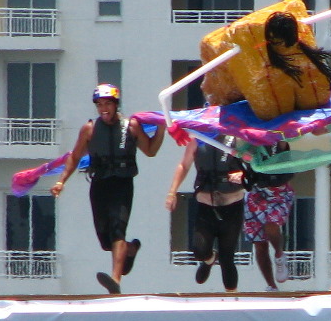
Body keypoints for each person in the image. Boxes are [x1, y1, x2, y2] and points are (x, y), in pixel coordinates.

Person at [51, 84, 165, 294]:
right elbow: (75, 157)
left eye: (108, 104)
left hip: (122, 183)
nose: (104, 109)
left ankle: (115, 280)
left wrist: (161, 129)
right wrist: (61, 181)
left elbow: (150, 150)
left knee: (117, 231)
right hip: (99, 184)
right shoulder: (90, 129)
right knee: (106, 241)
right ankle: (130, 249)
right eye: (100, 105)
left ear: (115, 104)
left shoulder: (131, 126)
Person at [166, 135, 246, 292]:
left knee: (227, 258)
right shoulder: (197, 139)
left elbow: (254, 165)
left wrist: (243, 175)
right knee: (199, 250)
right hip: (206, 206)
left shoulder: (237, 138)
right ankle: (209, 259)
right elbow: (184, 165)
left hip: (232, 206)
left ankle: (233, 301)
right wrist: (172, 192)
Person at [243, 142, 295, 291]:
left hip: (279, 190)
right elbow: (243, 151)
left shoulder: (278, 135)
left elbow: (284, 142)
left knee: (271, 222)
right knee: (259, 243)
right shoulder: (251, 137)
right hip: (256, 189)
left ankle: (279, 254)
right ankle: (271, 285)